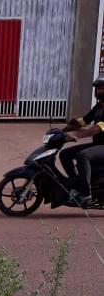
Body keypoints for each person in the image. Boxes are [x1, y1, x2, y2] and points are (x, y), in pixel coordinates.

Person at [60, 76, 104, 207]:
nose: (99, 92)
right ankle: (77, 183)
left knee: (83, 155)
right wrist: (61, 132)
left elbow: (97, 129)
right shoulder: (99, 107)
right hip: (98, 145)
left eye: (102, 88)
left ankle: (86, 194)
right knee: (65, 154)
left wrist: (77, 136)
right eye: (97, 89)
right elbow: (83, 121)